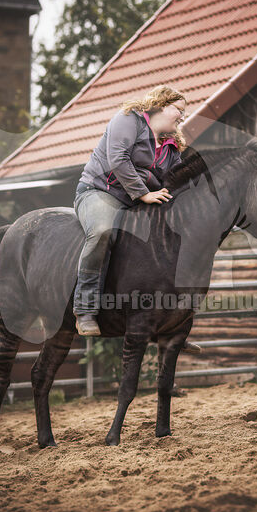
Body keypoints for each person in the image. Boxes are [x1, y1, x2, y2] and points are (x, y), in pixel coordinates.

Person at [73, 85, 201, 353]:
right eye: (179, 110)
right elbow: (117, 159)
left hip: (137, 198)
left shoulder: (171, 145)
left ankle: (171, 325)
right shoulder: (129, 119)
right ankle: (84, 309)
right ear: (161, 105)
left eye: (184, 113)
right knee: (102, 231)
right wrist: (144, 192)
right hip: (101, 191)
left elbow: (173, 180)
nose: (181, 117)